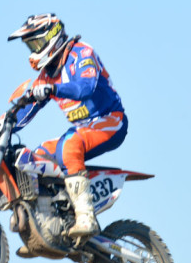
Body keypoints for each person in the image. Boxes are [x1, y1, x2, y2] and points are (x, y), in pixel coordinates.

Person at [7, 13, 128, 243]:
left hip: (111, 120)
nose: (33, 49)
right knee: (37, 156)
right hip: (83, 129)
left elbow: (85, 87)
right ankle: (48, 227)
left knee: (70, 145)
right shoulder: (45, 76)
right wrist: (1, 126)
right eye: (30, 45)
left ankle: (86, 216)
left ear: (51, 37)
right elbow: (25, 113)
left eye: (36, 42)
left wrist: (54, 90)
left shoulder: (80, 53)